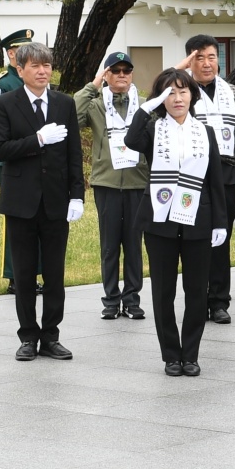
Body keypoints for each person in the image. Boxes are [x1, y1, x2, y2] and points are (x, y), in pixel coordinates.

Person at [123, 68, 230, 376]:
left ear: (192, 95)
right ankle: (171, 354)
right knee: (163, 291)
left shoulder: (205, 132)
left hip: (200, 218)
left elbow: (215, 180)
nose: (178, 98)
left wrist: (220, 222)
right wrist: (147, 107)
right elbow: (131, 140)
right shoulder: (153, 130)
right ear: (161, 98)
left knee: (197, 290)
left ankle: (191, 354)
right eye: (170, 92)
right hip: (160, 219)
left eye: (183, 91)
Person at [0, 41, 84, 361]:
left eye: (47, 66)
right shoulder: (5, 103)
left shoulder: (64, 103)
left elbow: (74, 154)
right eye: (35, 66)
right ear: (20, 69)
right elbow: (0, 150)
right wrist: (38, 140)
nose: (43, 71)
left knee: (55, 274)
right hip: (21, 201)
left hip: (56, 201)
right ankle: (28, 336)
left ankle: (52, 336)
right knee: (25, 273)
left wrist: (77, 195)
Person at [181, 35, 235, 325]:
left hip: (226, 174)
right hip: (193, 174)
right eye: (199, 58)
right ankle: (197, 299)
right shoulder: (180, 90)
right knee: (194, 239)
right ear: (190, 60)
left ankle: (219, 302)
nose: (207, 63)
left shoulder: (232, 91)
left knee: (220, 238)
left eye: (211, 57)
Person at [74, 51, 148, 322]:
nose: (121, 76)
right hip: (106, 182)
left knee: (133, 244)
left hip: (137, 181)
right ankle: (110, 299)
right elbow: (74, 114)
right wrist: (94, 85)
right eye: (114, 71)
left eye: (126, 71)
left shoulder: (143, 104)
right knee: (109, 246)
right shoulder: (97, 105)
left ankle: (132, 299)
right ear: (106, 75)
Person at [0, 29, 37, 292]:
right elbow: (3, 123)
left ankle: (35, 273)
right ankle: (15, 275)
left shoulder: (38, 79)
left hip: (39, 159)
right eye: (22, 50)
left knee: (38, 216)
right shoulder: (3, 83)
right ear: (11, 53)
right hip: (14, 162)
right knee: (16, 220)